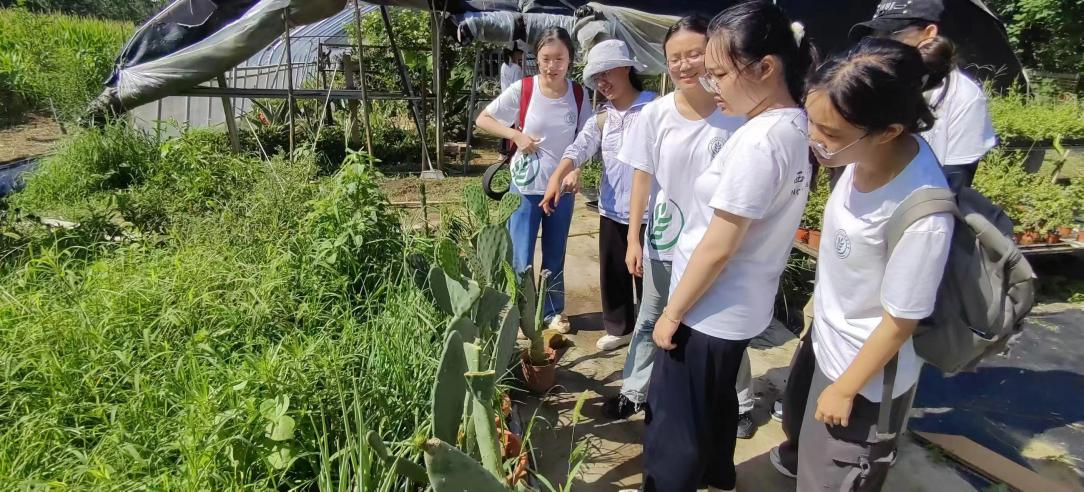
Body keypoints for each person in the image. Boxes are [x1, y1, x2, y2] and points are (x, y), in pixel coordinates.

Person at [639, 3, 814, 490]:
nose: (711, 84)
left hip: (707, 307)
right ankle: (718, 475)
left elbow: (719, 245)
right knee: (714, 406)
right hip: (739, 305)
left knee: (674, 427)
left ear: (765, 68)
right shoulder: (792, 125)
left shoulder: (760, 140)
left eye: (719, 73)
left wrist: (672, 312)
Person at [791, 38, 955, 491]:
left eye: (833, 134)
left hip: (863, 381)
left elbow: (901, 321)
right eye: (813, 123)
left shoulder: (923, 214)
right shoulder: (859, 155)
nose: (816, 140)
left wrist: (845, 387)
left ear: (889, 131)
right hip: (827, 345)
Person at [598, 16, 758, 440]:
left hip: (717, 245)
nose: (685, 65)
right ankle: (634, 388)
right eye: (675, 58)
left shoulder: (737, 117)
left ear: (714, 54)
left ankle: (740, 402)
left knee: (718, 326)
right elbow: (642, 177)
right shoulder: (655, 114)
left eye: (695, 54)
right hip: (664, 240)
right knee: (651, 318)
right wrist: (633, 236)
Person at [475, 27, 592, 333]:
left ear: (570, 59)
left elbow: (587, 137)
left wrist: (577, 168)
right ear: (536, 58)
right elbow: (483, 118)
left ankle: (553, 311)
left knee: (555, 253)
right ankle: (519, 310)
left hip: (562, 189)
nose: (552, 65)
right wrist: (515, 134)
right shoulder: (524, 90)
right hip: (524, 186)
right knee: (520, 254)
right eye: (545, 58)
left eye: (559, 59)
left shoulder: (579, 95)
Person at [541, 39, 656, 345]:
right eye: (596, 77)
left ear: (627, 69)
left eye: (607, 73)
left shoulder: (654, 109)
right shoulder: (602, 117)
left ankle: (651, 332)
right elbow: (579, 147)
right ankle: (620, 328)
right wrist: (556, 176)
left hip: (651, 211)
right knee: (613, 272)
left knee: (648, 275)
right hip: (612, 206)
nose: (602, 82)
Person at [850, 0, 997, 192]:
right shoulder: (871, 83)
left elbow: (955, 182)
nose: (880, 45)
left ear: (929, 33)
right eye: (876, 36)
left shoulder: (962, 96)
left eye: (890, 34)